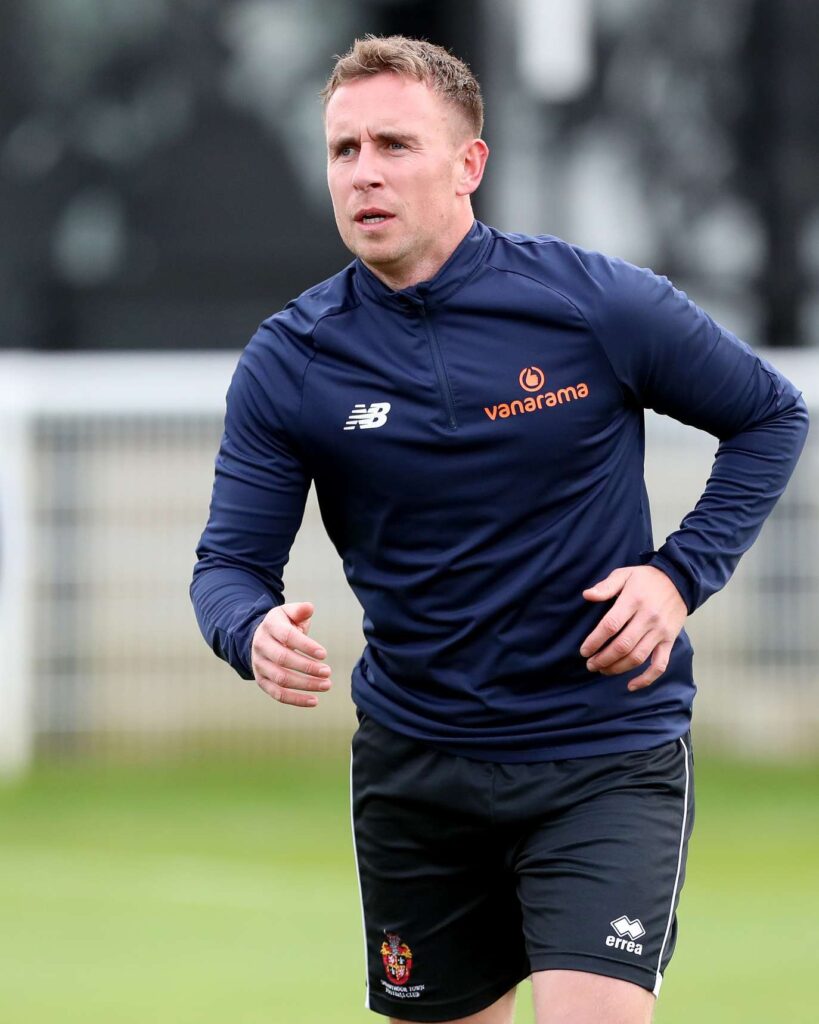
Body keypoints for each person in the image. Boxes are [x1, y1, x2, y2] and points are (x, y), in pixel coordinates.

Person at [190, 35, 809, 1024]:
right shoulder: (292, 358)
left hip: (604, 752)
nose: (365, 172)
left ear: (469, 164)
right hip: (418, 768)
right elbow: (228, 566)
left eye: (394, 143)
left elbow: (771, 414)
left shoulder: (593, 302)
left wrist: (676, 576)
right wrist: (249, 628)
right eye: (344, 150)